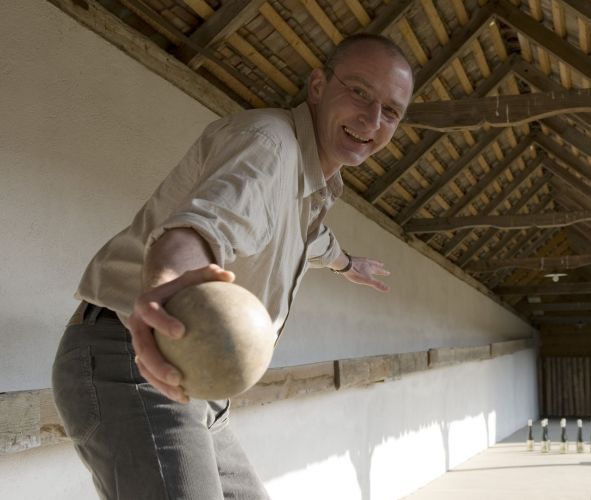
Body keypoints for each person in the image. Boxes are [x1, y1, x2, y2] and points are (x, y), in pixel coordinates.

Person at [51, 34, 414, 499]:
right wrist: (171, 282)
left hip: (199, 388)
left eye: (391, 111)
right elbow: (203, 226)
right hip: (136, 359)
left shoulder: (310, 185)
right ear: (318, 86)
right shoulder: (268, 148)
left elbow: (311, 239)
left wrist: (347, 264)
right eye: (360, 92)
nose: (372, 120)